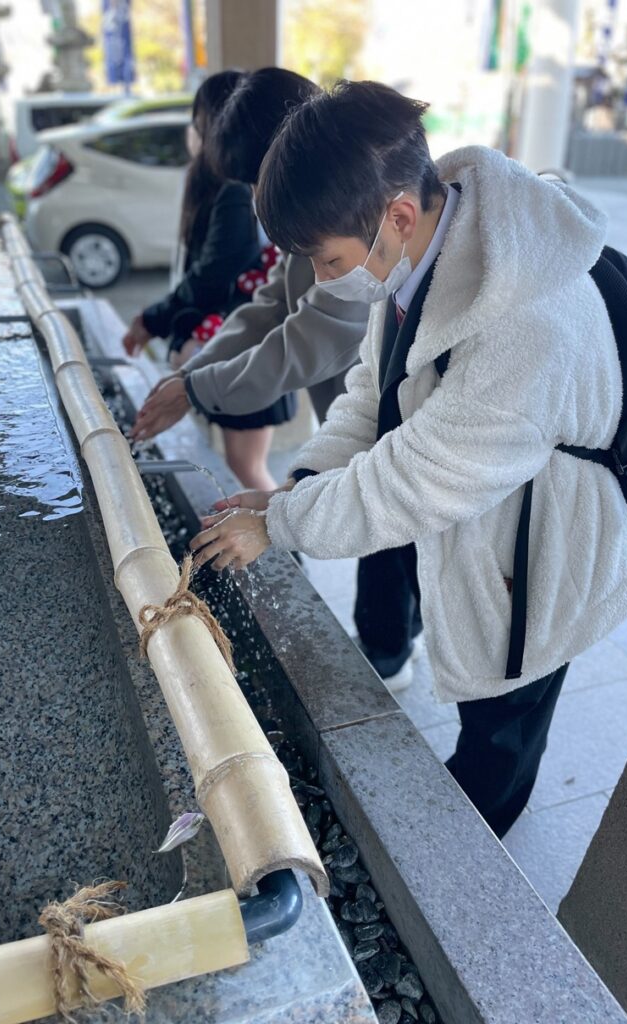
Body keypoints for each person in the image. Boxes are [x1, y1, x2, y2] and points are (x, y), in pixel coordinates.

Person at [189, 81, 627, 837]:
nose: (323, 279)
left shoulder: (525, 324)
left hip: (551, 546)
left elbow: (415, 477)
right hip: (497, 508)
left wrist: (280, 522)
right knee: (480, 681)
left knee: (502, 724)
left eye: (328, 259)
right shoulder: (428, 251)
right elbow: (374, 398)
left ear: (399, 216)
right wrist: (298, 484)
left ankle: (470, 861)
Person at [129, 67, 422, 690]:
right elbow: (271, 308)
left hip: (393, 430)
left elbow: (304, 339)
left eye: (257, 177)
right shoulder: (318, 228)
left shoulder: (350, 228)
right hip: (362, 416)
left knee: (389, 535)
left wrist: (197, 389)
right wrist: (192, 375)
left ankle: (390, 653)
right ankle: (396, 637)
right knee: (373, 516)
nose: (258, 193)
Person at [122, 70, 294, 491]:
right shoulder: (231, 189)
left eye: (196, 123)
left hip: (243, 350)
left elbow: (215, 276)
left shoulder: (233, 190)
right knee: (243, 463)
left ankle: (280, 531)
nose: (191, 133)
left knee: (247, 465)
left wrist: (161, 326)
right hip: (235, 345)